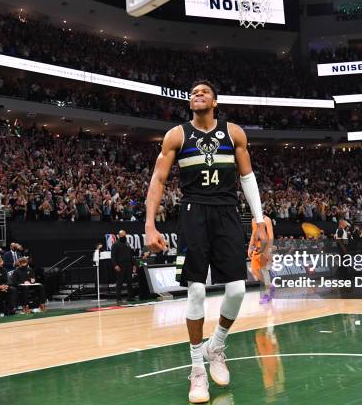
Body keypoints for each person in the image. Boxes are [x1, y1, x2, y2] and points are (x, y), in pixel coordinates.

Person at [145, 80, 268, 403]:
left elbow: (247, 177)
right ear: (190, 104)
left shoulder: (234, 133)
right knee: (196, 290)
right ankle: (197, 369)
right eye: (193, 93)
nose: (197, 94)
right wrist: (149, 224)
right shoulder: (177, 135)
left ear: (215, 101)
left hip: (227, 212)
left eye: (204, 92)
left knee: (239, 289)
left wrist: (259, 220)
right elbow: (158, 180)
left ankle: (217, 345)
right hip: (192, 214)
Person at [248, 214, 275, 304]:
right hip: (257, 248)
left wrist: (269, 251)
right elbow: (253, 234)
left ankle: (267, 294)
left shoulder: (267, 220)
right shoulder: (253, 220)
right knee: (254, 270)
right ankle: (270, 285)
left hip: (265, 248)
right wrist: (249, 247)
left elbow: (271, 236)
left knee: (264, 271)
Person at [110, 230, 137, 304]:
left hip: (128, 266)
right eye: (123, 235)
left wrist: (134, 264)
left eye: (125, 235)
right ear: (119, 236)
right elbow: (113, 256)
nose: (124, 237)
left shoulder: (127, 244)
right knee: (120, 282)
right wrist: (115, 265)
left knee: (130, 282)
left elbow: (130, 255)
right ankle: (118, 298)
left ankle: (130, 297)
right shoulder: (115, 244)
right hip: (120, 266)